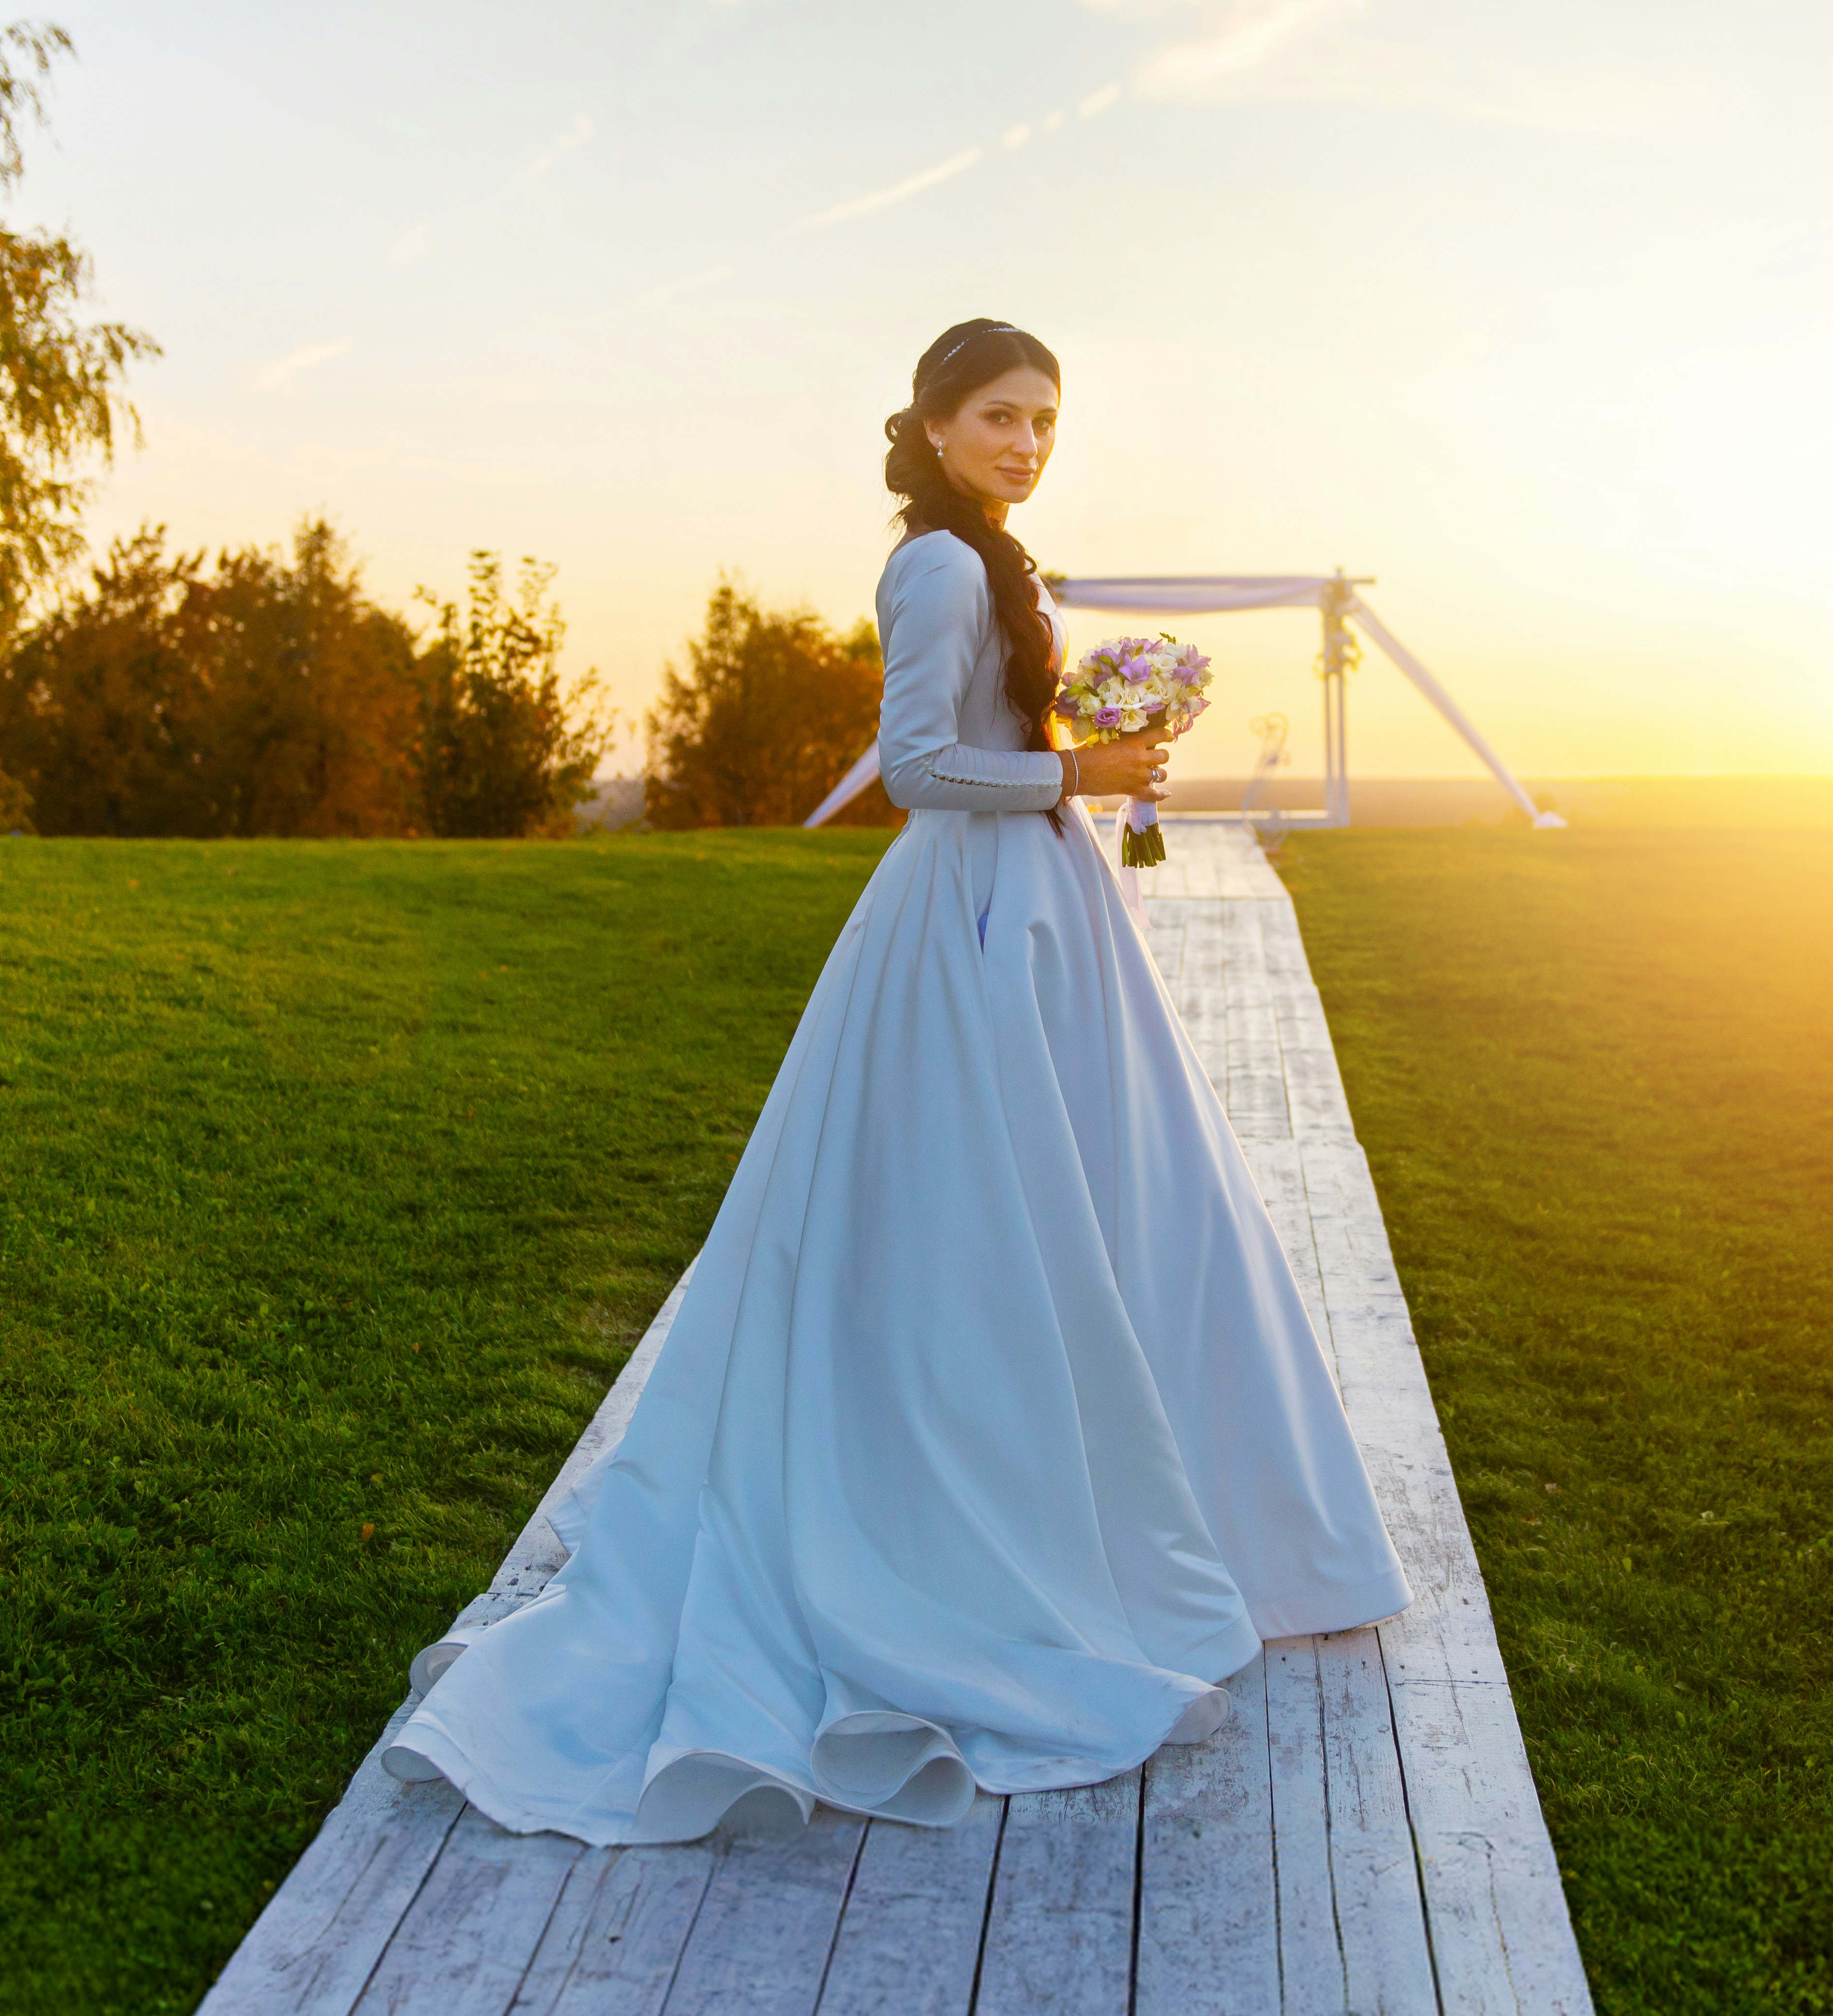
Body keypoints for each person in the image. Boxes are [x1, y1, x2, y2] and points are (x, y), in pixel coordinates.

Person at [380, 319, 1410, 1843]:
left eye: (1045, 419)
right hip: (970, 918)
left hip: (1042, 908)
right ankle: (992, 1534)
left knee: (1120, 1198)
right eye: (999, 416)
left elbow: (995, 740)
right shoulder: (936, 563)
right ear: (933, 425)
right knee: (984, 1221)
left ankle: (1178, 1519)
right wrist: (1081, 776)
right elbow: (917, 766)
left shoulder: (995, 558)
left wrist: (1095, 751)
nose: (1025, 441)